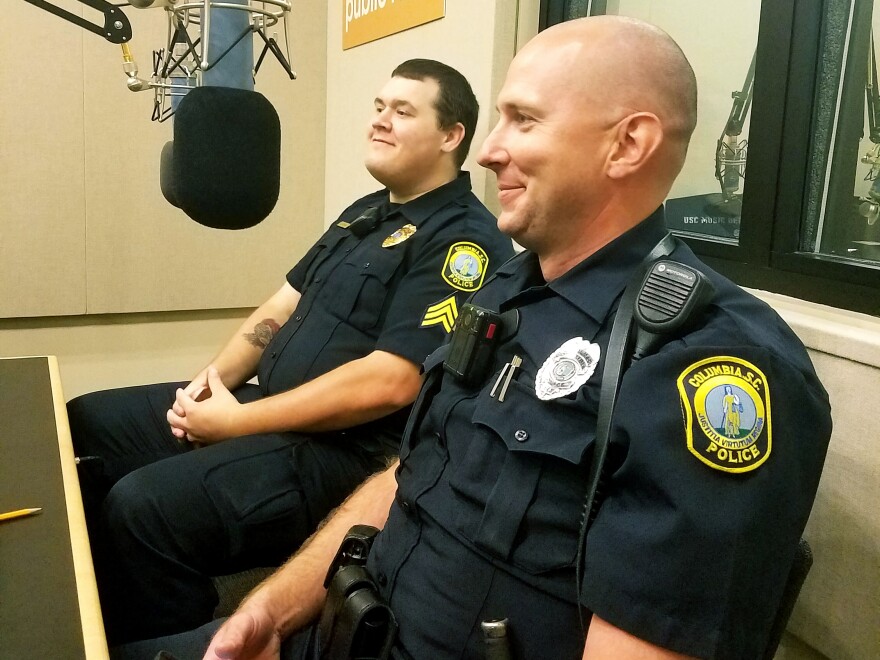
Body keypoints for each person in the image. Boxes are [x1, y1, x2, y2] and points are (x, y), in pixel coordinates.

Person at [118, 15, 832, 660]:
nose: (489, 151)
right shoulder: (502, 298)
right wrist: (270, 609)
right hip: (337, 629)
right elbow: (405, 478)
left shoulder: (707, 363)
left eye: (523, 121)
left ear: (628, 144)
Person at [67, 58, 515, 646]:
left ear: (451, 137)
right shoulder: (365, 212)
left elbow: (391, 382)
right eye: (379, 107)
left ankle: (181, 642)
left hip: (346, 453)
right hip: (266, 408)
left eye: (402, 111)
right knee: (88, 424)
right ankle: (98, 623)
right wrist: (207, 386)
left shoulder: (463, 241)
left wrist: (236, 423)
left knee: (142, 510)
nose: (379, 121)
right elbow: (278, 309)